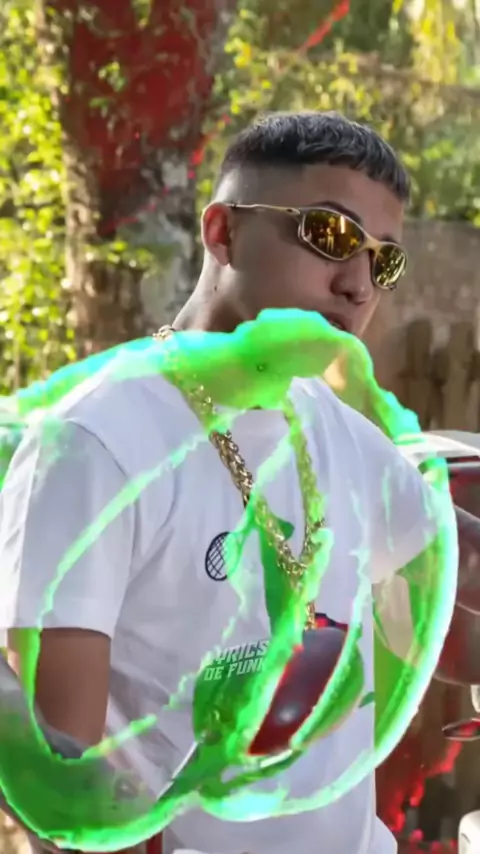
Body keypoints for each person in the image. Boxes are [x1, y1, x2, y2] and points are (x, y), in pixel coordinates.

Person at [0, 111, 456, 854]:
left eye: (384, 262)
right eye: (330, 234)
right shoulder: (96, 443)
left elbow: (453, 566)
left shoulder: (336, 428)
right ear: (223, 233)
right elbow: (63, 780)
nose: (357, 285)